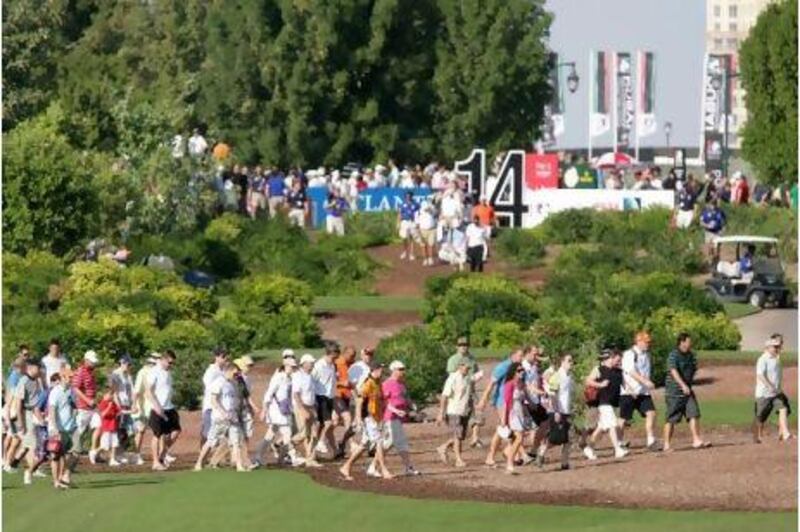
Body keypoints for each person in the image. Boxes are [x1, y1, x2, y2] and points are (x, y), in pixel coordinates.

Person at [339, 362, 393, 480]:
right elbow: (359, 400)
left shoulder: (377, 383)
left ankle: (346, 467)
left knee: (363, 445)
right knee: (378, 442)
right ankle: (383, 470)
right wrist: (358, 418)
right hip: (369, 418)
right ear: (376, 370)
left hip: (376, 418)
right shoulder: (368, 383)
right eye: (381, 370)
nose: (382, 372)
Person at [663, 333, 711, 452]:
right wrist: (682, 385)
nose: (690, 343)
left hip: (688, 390)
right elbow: (673, 371)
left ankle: (696, 440)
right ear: (682, 342)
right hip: (674, 392)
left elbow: (694, 368)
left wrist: (688, 383)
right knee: (671, 418)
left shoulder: (691, 355)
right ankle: (666, 445)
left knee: (693, 413)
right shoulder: (674, 355)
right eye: (689, 341)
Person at [195, 364, 247, 472]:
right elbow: (214, 400)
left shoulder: (232, 383)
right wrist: (223, 412)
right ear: (229, 370)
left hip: (232, 417)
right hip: (220, 418)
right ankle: (199, 463)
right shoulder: (219, 382)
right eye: (235, 373)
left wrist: (235, 413)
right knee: (211, 441)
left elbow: (233, 401)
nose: (236, 375)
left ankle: (239, 465)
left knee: (236, 441)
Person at [477, 349, 524, 467]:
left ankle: (509, 453)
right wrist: (483, 399)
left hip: (512, 402)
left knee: (510, 429)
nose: (521, 358)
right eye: (520, 355)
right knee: (503, 428)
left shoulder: (519, 367)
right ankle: (491, 456)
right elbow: (491, 383)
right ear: (512, 355)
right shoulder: (503, 367)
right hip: (502, 401)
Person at [256, 357, 303, 467]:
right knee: (287, 434)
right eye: (292, 367)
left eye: (294, 367)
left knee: (270, 435)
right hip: (276, 411)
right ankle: (293, 457)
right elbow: (268, 394)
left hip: (283, 411)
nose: (293, 369)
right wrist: (264, 410)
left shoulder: (288, 378)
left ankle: (258, 456)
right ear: (286, 366)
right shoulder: (278, 377)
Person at [584, 349, 628, 460]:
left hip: (613, 403)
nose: (618, 361)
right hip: (603, 402)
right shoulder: (599, 369)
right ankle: (617, 449)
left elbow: (625, 385)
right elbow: (588, 381)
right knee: (613, 424)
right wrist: (600, 384)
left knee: (602, 428)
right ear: (610, 358)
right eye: (616, 359)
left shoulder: (618, 371)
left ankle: (589, 448)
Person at [620, 332, 658, 450]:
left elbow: (645, 372)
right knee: (623, 419)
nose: (648, 344)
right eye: (646, 342)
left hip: (643, 392)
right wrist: (645, 382)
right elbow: (631, 371)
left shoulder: (646, 355)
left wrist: (647, 384)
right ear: (639, 341)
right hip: (629, 392)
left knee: (651, 413)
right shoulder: (629, 354)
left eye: (649, 342)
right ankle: (619, 442)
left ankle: (651, 440)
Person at [536, 353, 575, 470]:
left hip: (567, 411)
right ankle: (541, 453)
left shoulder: (569, 376)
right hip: (557, 411)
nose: (571, 363)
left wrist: (573, 408)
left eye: (572, 361)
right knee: (555, 438)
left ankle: (565, 463)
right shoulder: (557, 376)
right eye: (569, 361)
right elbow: (553, 396)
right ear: (562, 362)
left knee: (568, 438)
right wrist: (557, 411)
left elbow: (569, 395)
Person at [382, 360, 420, 475]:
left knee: (398, 443)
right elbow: (384, 402)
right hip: (389, 417)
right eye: (400, 369)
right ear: (393, 370)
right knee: (391, 442)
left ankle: (408, 467)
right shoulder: (387, 384)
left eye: (403, 369)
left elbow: (405, 397)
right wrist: (396, 410)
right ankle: (374, 465)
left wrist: (411, 404)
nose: (403, 371)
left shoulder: (401, 384)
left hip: (397, 418)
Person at [445, 337, 484, 448]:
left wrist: (477, 376)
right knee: (460, 426)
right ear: (456, 346)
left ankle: (475, 438)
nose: (463, 346)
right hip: (459, 395)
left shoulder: (472, 359)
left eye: (465, 344)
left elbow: (476, 371)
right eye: (461, 344)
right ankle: (446, 446)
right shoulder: (452, 359)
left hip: (471, 392)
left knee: (478, 415)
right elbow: (452, 378)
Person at [754, 334, 793, 443]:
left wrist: (777, 388)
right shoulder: (762, 359)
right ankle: (759, 435)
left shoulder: (777, 358)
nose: (778, 348)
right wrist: (770, 386)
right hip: (764, 394)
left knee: (783, 408)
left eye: (778, 347)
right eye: (775, 347)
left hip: (776, 393)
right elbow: (760, 375)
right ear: (768, 347)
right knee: (761, 417)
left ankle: (785, 433)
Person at [147, 350, 181, 470]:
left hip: (169, 406)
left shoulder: (168, 372)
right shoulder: (154, 372)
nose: (171, 365)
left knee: (176, 431)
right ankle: (155, 462)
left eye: (172, 363)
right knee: (157, 434)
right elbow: (149, 391)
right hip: (158, 407)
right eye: (169, 363)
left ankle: (162, 456)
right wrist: (157, 407)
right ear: (162, 359)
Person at [436, 359, 474, 468]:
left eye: (468, 368)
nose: (467, 370)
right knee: (457, 436)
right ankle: (458, 459)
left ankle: (443, 447)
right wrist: (441, 413)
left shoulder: (467, 378)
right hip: (453, 411)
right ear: (460, 366)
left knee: (460, 436)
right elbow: (444, 396)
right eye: (466, 367)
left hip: (464, 411)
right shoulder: (452, 378)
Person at [16, 359, 45, 486]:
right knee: (32, 444)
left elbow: (35, 403)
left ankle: (15, 462)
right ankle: (29, 472)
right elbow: (18, 403)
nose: (40, 371)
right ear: (32, 368)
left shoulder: (36, 381)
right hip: (25, 413)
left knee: (30, 444)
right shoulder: (24, 381)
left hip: (33, 412)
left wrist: (41, 419)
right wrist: (21, 421)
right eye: (39, 368)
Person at [46, 371, 75, 488]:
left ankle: (60, 479)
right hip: (56, 428)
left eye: (72, 377)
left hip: (67, 427)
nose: (71, 379)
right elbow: (52, 410)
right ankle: (55, 481)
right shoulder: (55, 392)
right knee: (56, 455)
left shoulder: (70, 390)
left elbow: (72, 405)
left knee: (64, 454)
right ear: (62, 377)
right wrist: (54, 428)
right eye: (69, 377)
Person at [292, 354, 321, 468]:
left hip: (311, 406)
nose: (313, 365)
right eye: (311, 363)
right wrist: (302, 409)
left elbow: (311, 393)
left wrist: (314, 406)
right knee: (304, 433)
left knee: (314, 433)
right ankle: (287, 445)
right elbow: (296, 394)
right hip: (302, 407)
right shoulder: (298, 376)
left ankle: (310, 458)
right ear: (304, 364)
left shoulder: (310, 376)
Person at [501, 362, 530, 475]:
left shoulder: (521, 384)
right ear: (513, 372)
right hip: (513, 413)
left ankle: (509, 456)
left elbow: (524, 399)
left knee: (517, 439)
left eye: (522, 370)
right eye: (518, 370)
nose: (521, 372)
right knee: (519, 438)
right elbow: (506, 402)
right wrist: (504, 418)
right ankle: (509, 463)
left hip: (520, 413)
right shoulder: (509, 384)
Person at [72, 350, 100, 460]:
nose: (94, 364)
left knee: (99, 425)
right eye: (92, 362)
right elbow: (75, 388)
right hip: (83, 406)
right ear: (86, 360)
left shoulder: (91, 372)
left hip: (92, 406)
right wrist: (87, 400)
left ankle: (93, 451)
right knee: (80, 430)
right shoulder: (80, 371)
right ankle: (74, 452)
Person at [312, 344, 338, 458]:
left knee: (323, 424)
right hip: (320, 396)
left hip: (329, 397)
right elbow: (312, 381)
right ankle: (320, 442)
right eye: (333, 357)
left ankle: (315, 448)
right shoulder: (319, 365)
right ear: (328, 354)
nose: (334, 360)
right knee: (327, 423)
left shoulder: (332, 365)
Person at [131, 354, 157, 466]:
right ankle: (136, 454)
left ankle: (161, 454)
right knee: (141, 430)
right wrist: (134, 405)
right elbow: (136, 391)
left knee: (159, 430)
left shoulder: (157, 373)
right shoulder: (142, 372)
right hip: (143, 406)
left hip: (153, 406)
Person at [3, 354, 27, 472]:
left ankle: (7, 462)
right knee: (16, 439)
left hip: (13, 411)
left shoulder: (18, 376)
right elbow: (11, 396)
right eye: (25, 366)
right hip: (13, 411)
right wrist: (9, 413)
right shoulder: (15, 377)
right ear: (20, 367)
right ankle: (7, 463)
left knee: (15, 439)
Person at [201, 347, 229, 446]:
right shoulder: (211, 371)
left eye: (226, 356)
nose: (225, 359)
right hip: (210, 405)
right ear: (216, 357)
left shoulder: (224, 371)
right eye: (223, 356)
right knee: (208, 433)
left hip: (221, 405)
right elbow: (208, 386)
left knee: (219, 432)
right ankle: (202, 455)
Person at [110, 354, 135, 463]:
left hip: (127, 404)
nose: (128, 366)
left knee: (125, 431)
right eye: (127, 364)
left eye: (129, 364)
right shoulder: (115, 374)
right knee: (117, 431)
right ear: (121, 363)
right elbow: (114, 392)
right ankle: (112, 455)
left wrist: (133, 403)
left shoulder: (128, 376)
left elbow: (132, 391)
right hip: (118, 404)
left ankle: (120, 453)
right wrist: (118, 406)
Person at [333, 346, 357, 459]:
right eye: (351, 355)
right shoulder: (337, 363)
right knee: (347, 418)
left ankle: (339, 444)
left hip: (346, 396)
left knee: (333, 422)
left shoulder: (352, 364)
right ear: (345, 353)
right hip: (337, 395)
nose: (353, 358)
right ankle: (351, 444)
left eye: (354, 356)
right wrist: (343, 383)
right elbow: (331, 381)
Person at [97, 385, 122, 466]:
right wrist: (108, 407)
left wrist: (131, 411)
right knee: (104, 446)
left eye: (112, 394)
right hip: (106, 428)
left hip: (113, 427)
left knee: (115, 443)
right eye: (110, 394)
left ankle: (112, 459)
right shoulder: (103, 404)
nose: (111, 396)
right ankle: (94, 453)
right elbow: (103, 415)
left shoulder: (113, 403)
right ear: (105, 395)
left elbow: (119, 411)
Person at [398, 192, 420, 261]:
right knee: (404, 237)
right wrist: (398, 223)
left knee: (411, 238)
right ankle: (405, 251)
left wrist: (418, 223)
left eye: (409, 196)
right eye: (407, 196)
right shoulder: (402, 204)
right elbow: (399, 214)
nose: (408, 198)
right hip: (404, 221)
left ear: (412, 197)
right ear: (405, 197)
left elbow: (418, 214)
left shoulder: (416, 204)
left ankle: (411, 253)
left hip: (412, 222)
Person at [416, 200, 438, 266]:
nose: (426, 208)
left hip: (432, 230)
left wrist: (431, 209)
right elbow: (417, 223)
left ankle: (430, 259)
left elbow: (436, 214)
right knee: (423, 245)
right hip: (422, 230)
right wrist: (418, 232)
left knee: (430, 245)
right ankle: (425, 259)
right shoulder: (418, 213)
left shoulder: (432, 211)